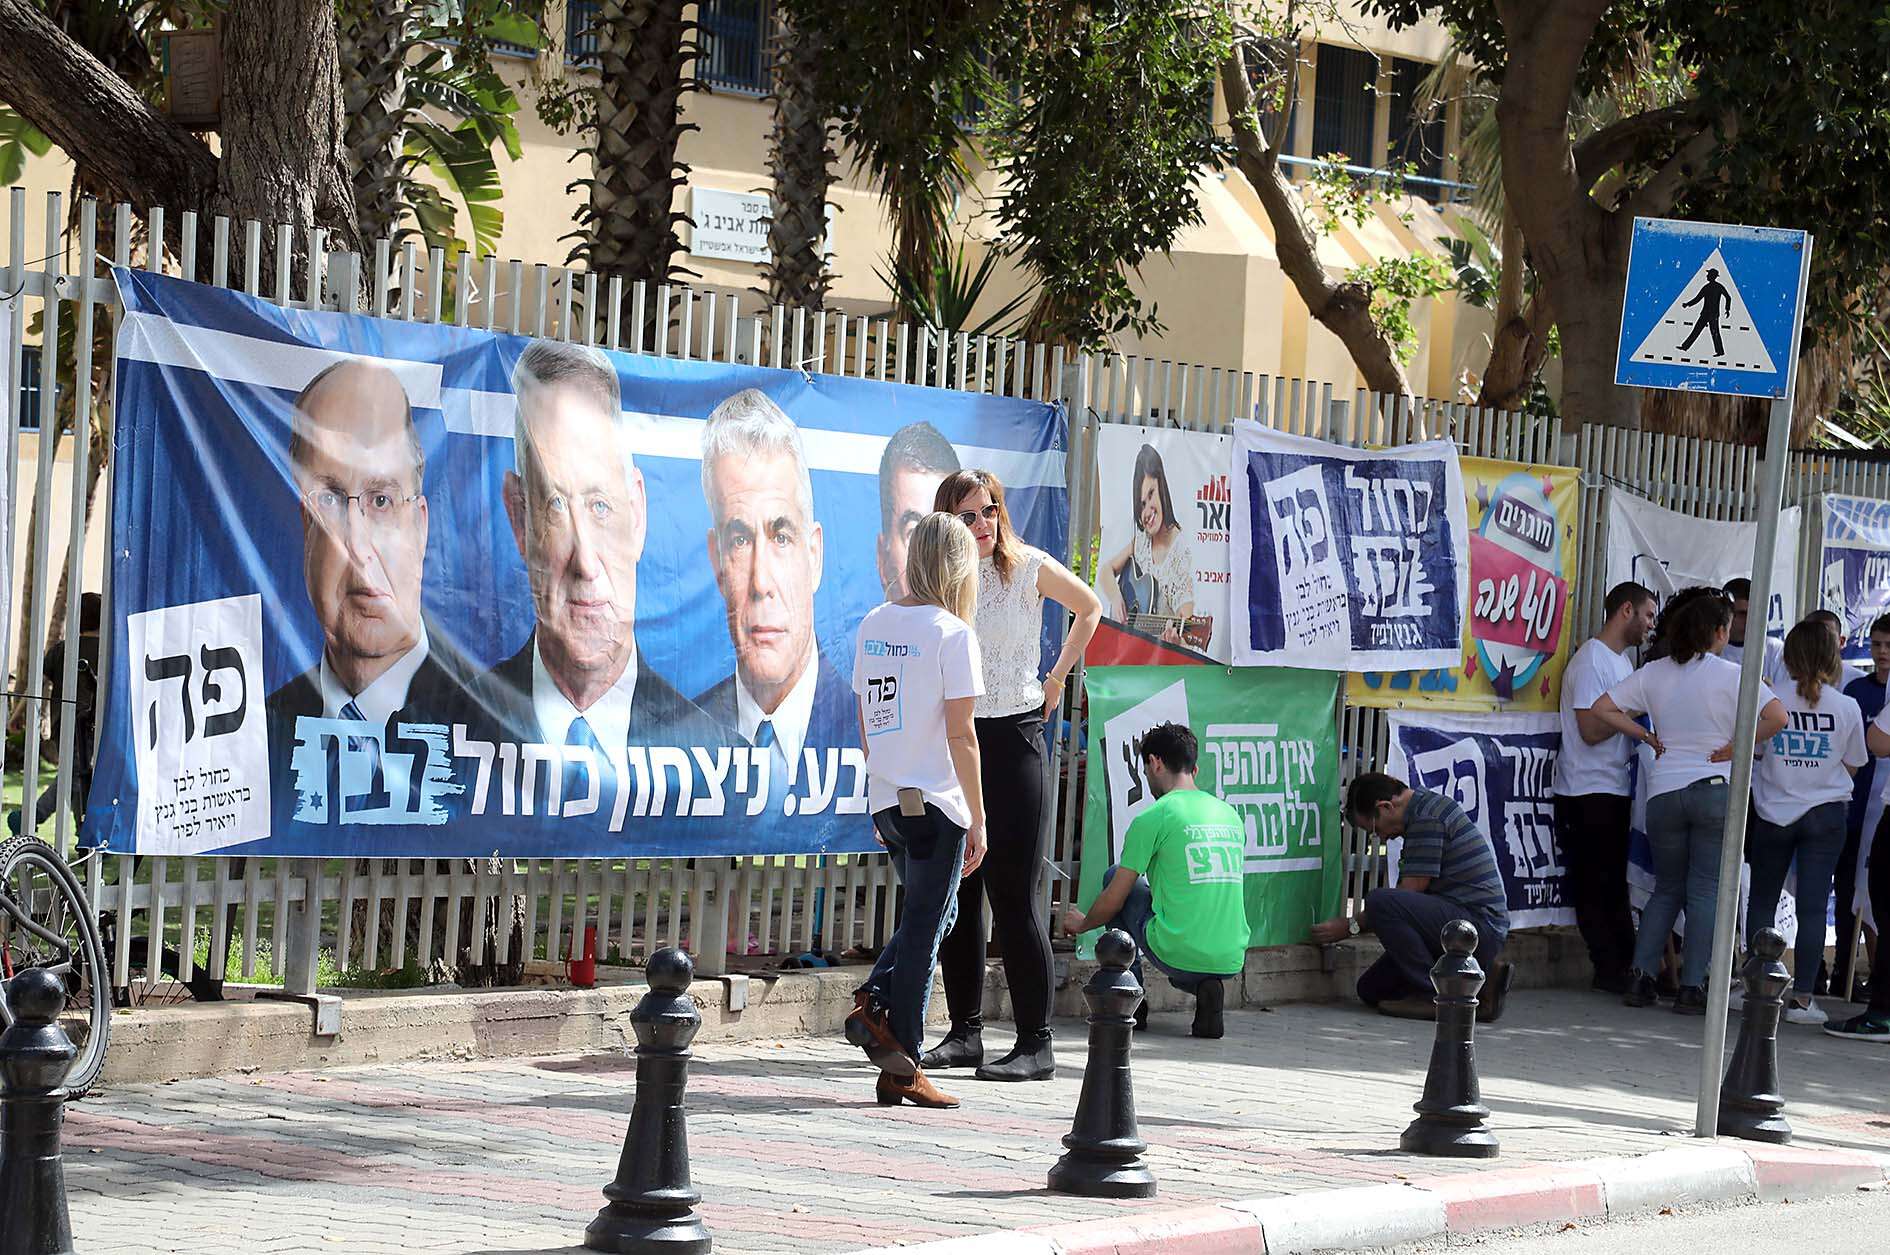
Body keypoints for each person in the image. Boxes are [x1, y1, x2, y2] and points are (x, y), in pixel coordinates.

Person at [922, 468, 1101, 1082]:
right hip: (960, 741)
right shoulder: (944, 581)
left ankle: (1036, 1042)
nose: (982, 524)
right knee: (961, 888)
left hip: (1016, 735)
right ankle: (964, 1032)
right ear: (947, 522)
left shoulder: (1028, 566)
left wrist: (1057, 678)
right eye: (967, 515)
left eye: (990, 509)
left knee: (1014, 894)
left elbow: (1090, 607)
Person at [475, 339, 724, 765]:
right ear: (519, 519)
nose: (586, 564)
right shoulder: (436, 737)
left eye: (600, 506)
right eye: (556, 505)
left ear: (637, 514)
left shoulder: (717, 762)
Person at [266, 360, 478, 808]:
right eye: (329, 499)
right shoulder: (258, 737)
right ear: (306, 525)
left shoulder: (493, 729)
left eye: (382, 500)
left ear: (420, 528)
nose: (358, 547)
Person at [844, 512, 987, 1109]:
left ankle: (877, 1008)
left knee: (936, 916)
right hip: (937, 802)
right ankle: (904, 1056)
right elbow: (962, 735)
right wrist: (977, 817)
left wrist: (883, 785)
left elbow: (865, 719)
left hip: (889, 800)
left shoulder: (874, 623)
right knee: (929, 927)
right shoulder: (953, 633)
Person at [1590, 589, 1788, 1013]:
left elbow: (1601, 708)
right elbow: (1778, 717)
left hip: (1664, 792)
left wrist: (1646, 736)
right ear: (1718, 632)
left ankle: (1640, 977)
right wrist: (1737, 746)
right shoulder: (1733, 674)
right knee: (1704, 891)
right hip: (1714, 790)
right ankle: (1692, 986)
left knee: (1666, 888)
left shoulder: (1653, 672)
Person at [695, 389, 856, 788]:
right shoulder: (676, 740)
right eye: (740, 541)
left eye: (781, 537)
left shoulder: (869, 730)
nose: (761, 582)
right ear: (716, 562)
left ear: (814, 556)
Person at [1057, 723, 1246, 1039]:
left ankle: (1130, 998)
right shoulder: (1229, 815)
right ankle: (1206, 987)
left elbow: (1115, 897)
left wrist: (1083, 924)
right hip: (1231, 956)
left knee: (1115, 877)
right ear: (1194, 768)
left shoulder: (1155, 816)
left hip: (1178, 950)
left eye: (1145, 769)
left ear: (1155, 763)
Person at [1311, 772, 1512, 1022]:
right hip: (1458, 926)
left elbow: (1407, 893)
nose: (1382, 838)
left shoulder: (1427, 818)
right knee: (1371, 989)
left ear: (1385, 807)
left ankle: (1432, 996)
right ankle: (1478, 990)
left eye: (1374, 830)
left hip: (1477, 930)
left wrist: (1349, 927)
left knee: (1379, 901)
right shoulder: (1424, 810)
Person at [1747, 620, 1866, 1026]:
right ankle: (1802, 1000)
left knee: (1762, 900)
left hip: (1773, 812)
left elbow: (1755, 752)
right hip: (1825, 813)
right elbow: (1854, 764)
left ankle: (1757, 990)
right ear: (1833, 657)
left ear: (1789, 656)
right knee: (1813, 907)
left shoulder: (1768, 699)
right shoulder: (1847, 706)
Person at [1553, 581, 1656, 995]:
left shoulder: (1623, 664)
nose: (1651, 625)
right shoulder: (1592, 660)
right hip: (1585, 789)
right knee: (1594, 885)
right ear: (1626, 610)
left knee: (1614, 884)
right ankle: (1608, 968)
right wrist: (1628, 714)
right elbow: (1591, 730)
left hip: (1614, 787)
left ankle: (1626, 966)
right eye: (1648, 615)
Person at [1835, 612, 1890, 998]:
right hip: (1856, 806)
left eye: (1889, 645)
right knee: (1854, 895)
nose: (1882, 652)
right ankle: (1849, 970)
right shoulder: (1857, 690)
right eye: (1876, 644)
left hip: (1884, 808)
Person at [1101, 443, 1196, 643]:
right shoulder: (1142, 542)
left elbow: (1186, 623)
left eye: (1151, 494)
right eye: (1142, 504)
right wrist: (1116, 598)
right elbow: (1106, 571)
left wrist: (1176, 640)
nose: (1147, 512)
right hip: (1132, 653)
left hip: (1160, 659)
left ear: (1162, 488)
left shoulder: (1181, 554)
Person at [876, 421, 961, 601]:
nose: (932, 555)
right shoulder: (874, 620)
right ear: (883, 559)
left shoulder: (966, 623)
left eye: (944, 533)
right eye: (914, 532)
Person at [1721, 577, 1785, 684]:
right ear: (1726, 613)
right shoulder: (1712, 651)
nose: (1750, 619)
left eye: (1755, 612)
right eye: (1743, 614)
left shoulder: (1775, 650)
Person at [1804, 608, 1866, 690]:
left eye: (1826, 637)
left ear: (1841, 642)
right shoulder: (1788, 677)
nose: (1818, 644)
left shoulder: (1860, 683)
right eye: (1812, 637)